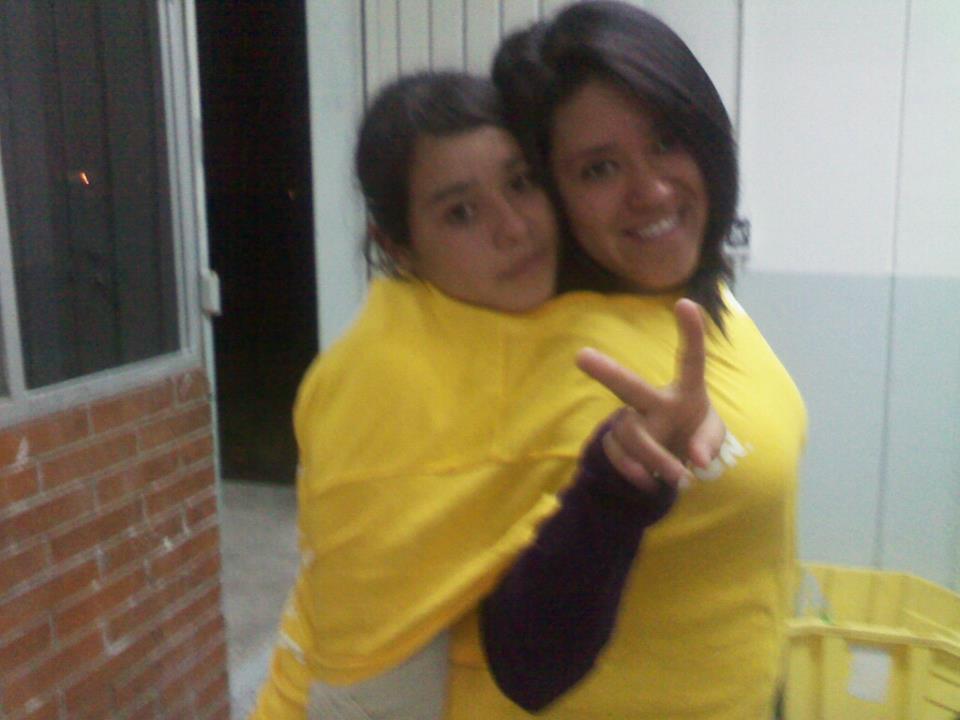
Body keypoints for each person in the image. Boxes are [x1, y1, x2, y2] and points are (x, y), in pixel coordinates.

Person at [249, 70, 726, 719]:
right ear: (399, 248)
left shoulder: (545, 316)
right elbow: (366, 650)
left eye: (522, 183)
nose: (514, 228)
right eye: (462, 213)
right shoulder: (381, 373)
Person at [440, 2, 806, 718]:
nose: (653, 190)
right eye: (599, 169)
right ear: (550, 194)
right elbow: (525, 662)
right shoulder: (552, 355)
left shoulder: (699, 298)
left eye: (667, 140)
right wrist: (616, 488)